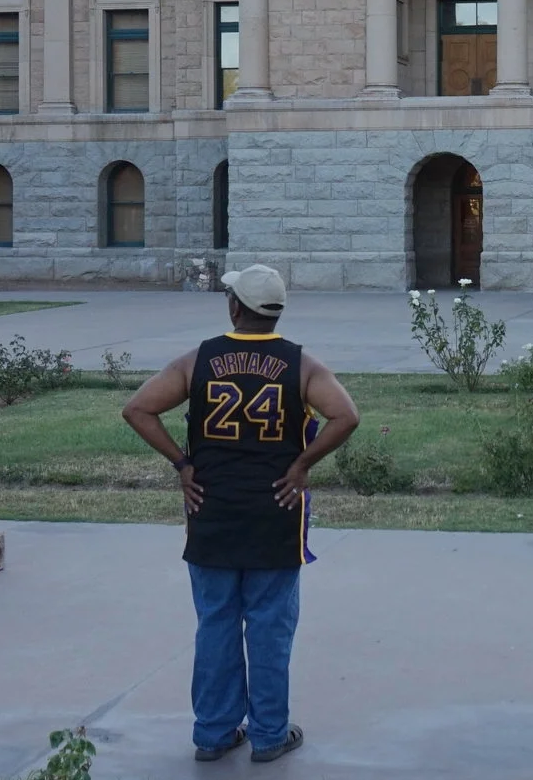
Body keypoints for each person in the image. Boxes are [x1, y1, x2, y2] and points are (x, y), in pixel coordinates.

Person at [123, 264, 359, 763]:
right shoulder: (301, 365)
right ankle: (270, 735)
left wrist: (182, 464)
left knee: (216, 624)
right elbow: (346, 415)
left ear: (235, 307)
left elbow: (138, 409)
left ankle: (213, 733)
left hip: (210, 508)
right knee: (270, 628)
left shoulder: (198, 361)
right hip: (277, 512)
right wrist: (301, 465)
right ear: (276, 312)